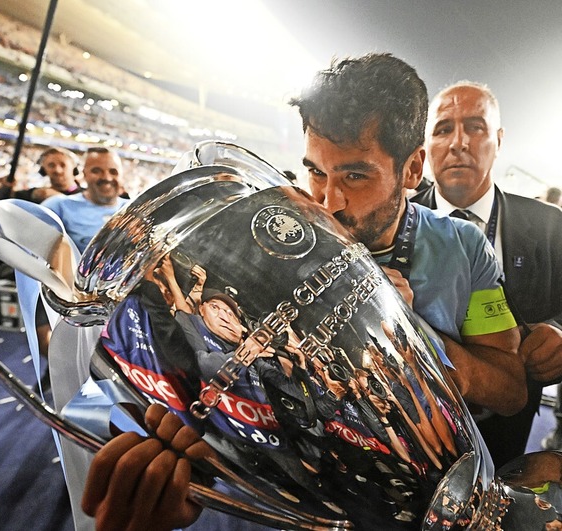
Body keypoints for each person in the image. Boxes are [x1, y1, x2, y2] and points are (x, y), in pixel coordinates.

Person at [81, 54, 526, 530]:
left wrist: (407, 336)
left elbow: (511, 389)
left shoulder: (464, 247)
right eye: (316, 172)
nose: (328, 202)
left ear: (413, 169)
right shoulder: (264, 240)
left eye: (355, 175)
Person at [412, 81, 562, 467]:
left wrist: (559, 332)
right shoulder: (394, 224)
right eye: (443, 128)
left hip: (506, 441)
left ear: (498, 139)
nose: (458, 142)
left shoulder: (548, 225)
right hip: (412, 441)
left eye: (475, 127)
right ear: (425, 146)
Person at [42, 147, 130, 253]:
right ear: (84, 174)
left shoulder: (136, 210)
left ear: (122, 175)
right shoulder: (58, 207)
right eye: (96, 171)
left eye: (113, 171)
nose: (106, 177)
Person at [0, 147, 83, 203]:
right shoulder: (37, 195)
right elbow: (5, 201)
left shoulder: (88, 197)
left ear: (74, 168)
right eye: (51, 165)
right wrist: (5, 187)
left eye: (63, 165)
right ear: (43, 170)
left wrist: (58, 199)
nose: (57, 170)